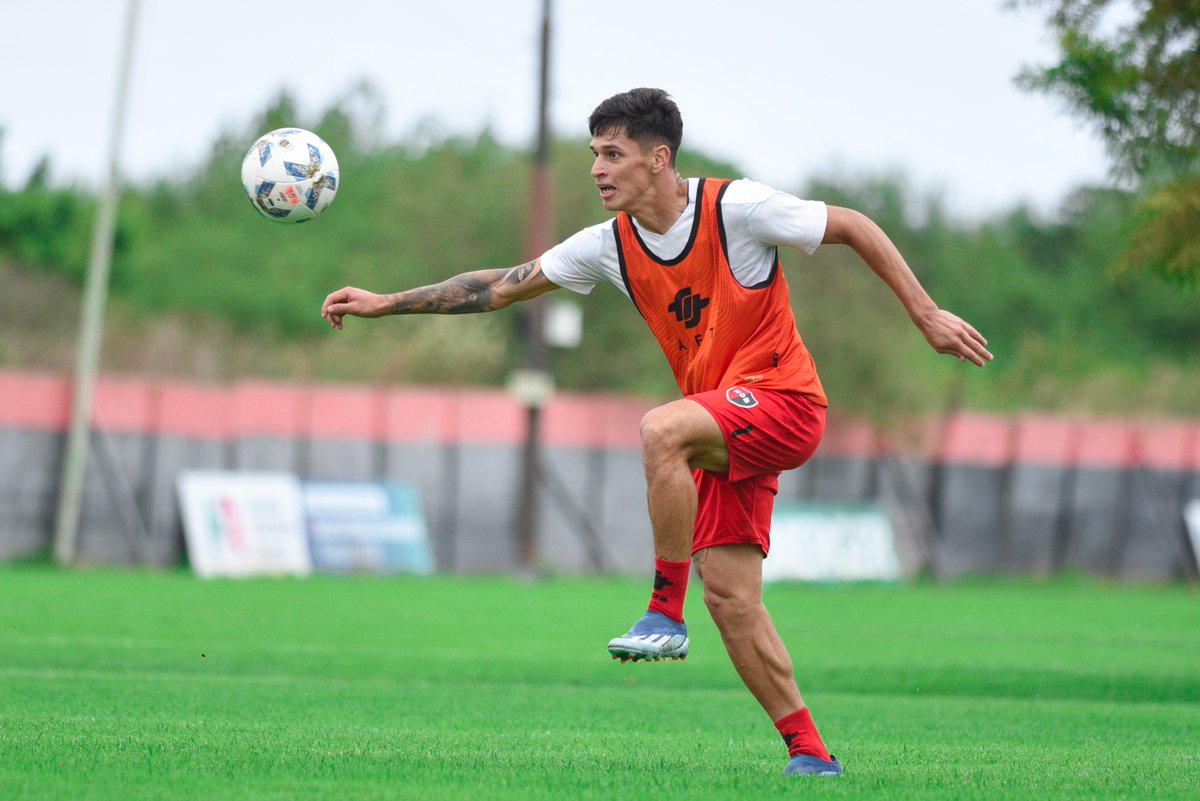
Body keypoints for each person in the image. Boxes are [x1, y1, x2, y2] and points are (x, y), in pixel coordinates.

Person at [321, 87, 992, 777]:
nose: (597, 169)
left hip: (785, 404)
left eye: (613, 154)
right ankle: (811, 753)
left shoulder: (737, 209)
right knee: (732, 598)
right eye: (593, 155)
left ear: (659, 158)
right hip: (725, 427)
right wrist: (386, 303)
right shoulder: (607, 245)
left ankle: (663, 611)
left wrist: (926, 314)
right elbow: (498, 287)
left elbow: (851, 224)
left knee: (659, 429)